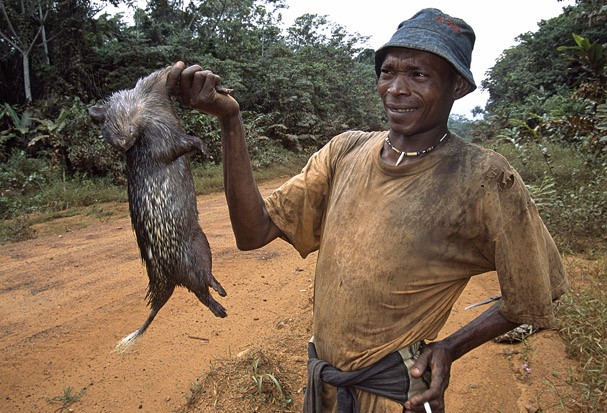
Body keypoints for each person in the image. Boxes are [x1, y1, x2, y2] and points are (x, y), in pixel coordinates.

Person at [166, 8, 569, 413]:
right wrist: (230, 121)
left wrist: (449, 347)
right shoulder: (346, 151)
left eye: (419, 75)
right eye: (388, 72)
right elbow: (253, 233)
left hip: (397, 395)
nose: (396, 88)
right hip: (324, 386)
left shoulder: (483, 176)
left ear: (457, 86)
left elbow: (536, 293)